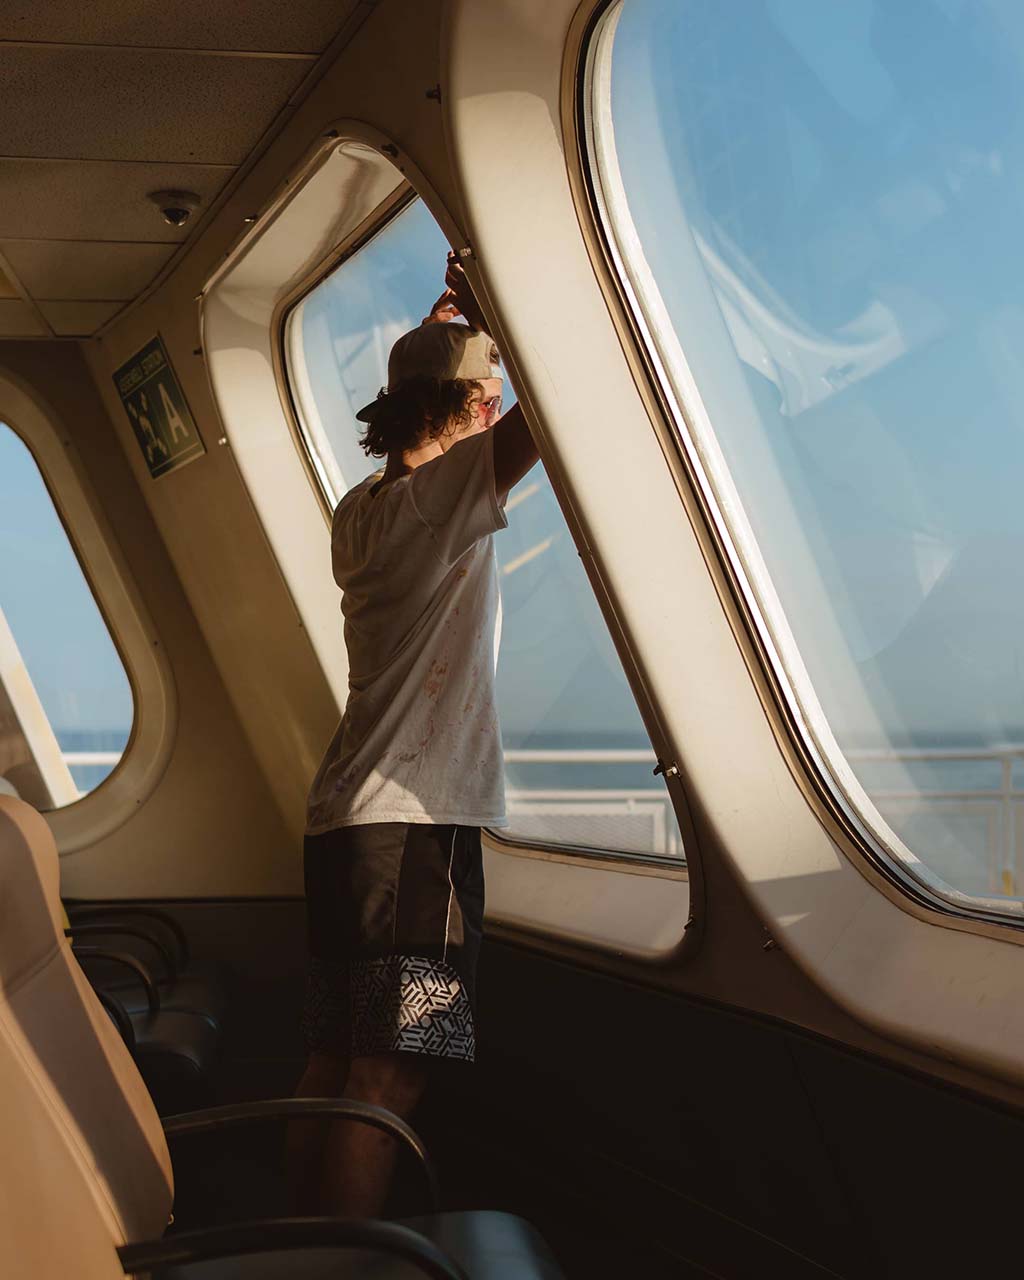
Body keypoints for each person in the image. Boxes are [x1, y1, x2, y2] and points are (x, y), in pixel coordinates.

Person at [289, 254, 539, 1218]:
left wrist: (448, 339)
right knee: (390, 1082)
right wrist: (495, 319)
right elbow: (548, 420)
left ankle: (290, 1246)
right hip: (410, 827)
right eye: (487, 398)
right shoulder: (442, 500)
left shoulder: (364, 511)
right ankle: (348, 1260)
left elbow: (437, 408)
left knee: (333, 1057)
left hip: (346, 825)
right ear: (470, 409)